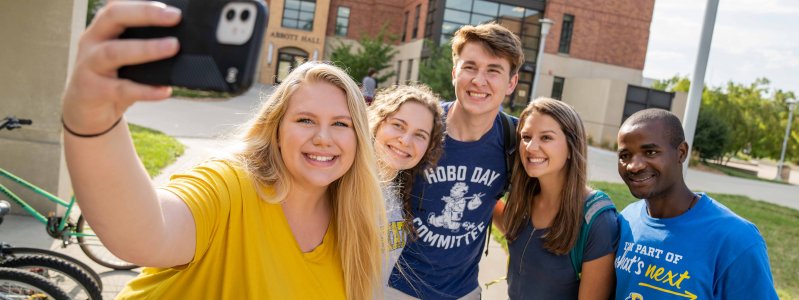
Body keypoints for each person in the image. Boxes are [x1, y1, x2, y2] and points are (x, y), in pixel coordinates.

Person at [60, 2, 385, 299]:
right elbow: (145, 232)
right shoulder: (231, 186)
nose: (323, 137)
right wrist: (92, 119)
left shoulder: (354, 227)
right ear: (276, 130)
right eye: (305, 119)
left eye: (341, 124)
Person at [387, 22, 522, 299]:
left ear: (511, 82)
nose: (479, 80)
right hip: (393, 286)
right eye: (470, 67)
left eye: (493, 71)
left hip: (463, 292)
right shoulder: (422, 127)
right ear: (454, 73)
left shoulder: (515, 140)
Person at [614, 109, 778, 300]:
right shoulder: (625, 220)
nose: (634, 165)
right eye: (625, 155)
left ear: (681, 153)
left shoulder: (736, 239)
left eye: (650, 152)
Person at [497, 98, 618, 299]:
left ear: (571, 147)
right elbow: (512, 229)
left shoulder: (597, 219)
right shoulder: (524, 201)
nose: (531, 147)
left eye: (546, 138)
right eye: (526, 137)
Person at [367, 84, 444, 289]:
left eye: (420, 135)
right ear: (378, 122)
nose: (405, 140)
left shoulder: (399, 192)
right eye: (398, 125)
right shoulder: (342, 183)